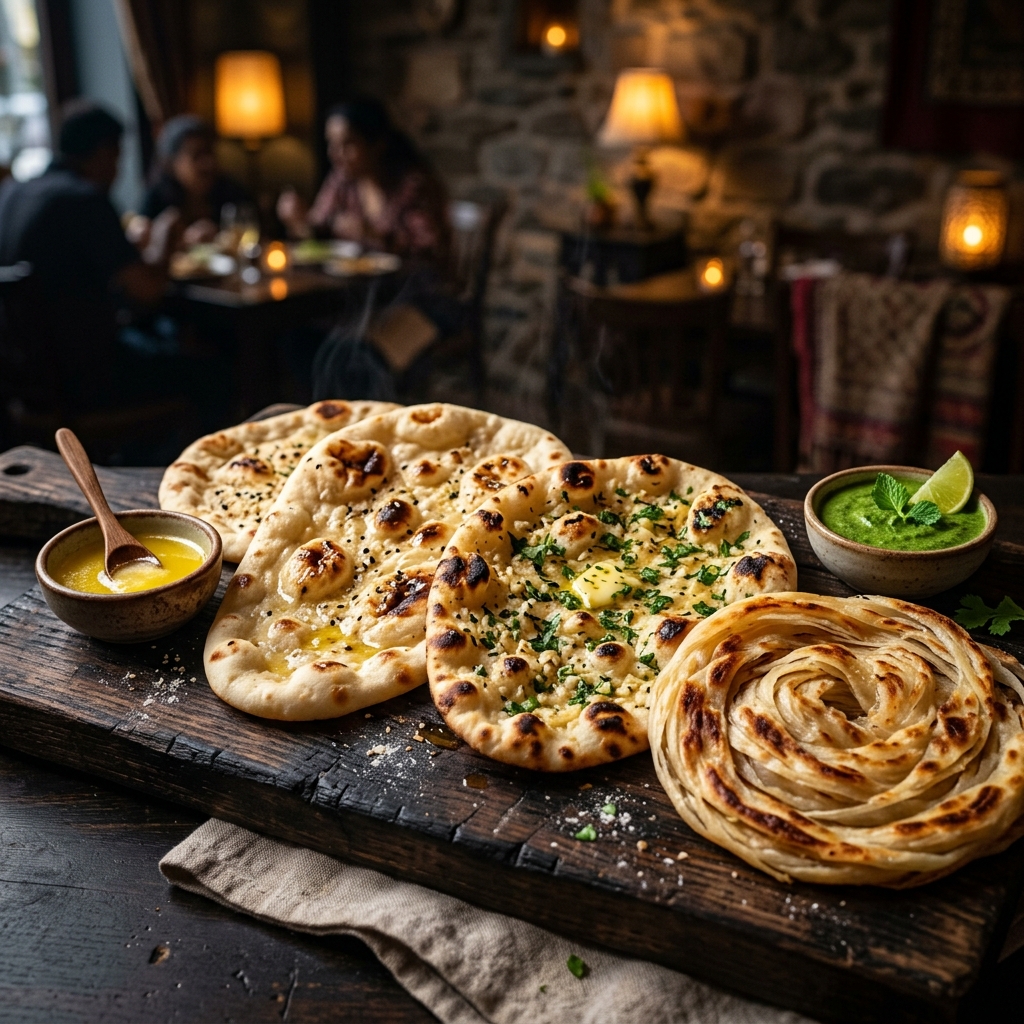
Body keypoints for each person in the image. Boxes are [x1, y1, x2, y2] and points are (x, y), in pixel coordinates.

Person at [0, 101, 221, 452]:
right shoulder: (84, 199)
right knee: (213, 373)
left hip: (22, 383)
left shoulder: (13, 192)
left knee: (158, 340)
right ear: (104, 152)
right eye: (117, 157)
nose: (117, 169)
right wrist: (163, 242)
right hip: (84, 385)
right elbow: (147, 290)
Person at [276, 97, 461, 402]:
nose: (337, 155)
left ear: (377, 144)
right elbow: (318, 229)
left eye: (348, 144)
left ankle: (377, 423)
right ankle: (329, 420)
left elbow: (431, 251)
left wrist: (373, 234)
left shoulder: (413, 186)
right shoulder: (342, 182)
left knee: (361, 355)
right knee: (299, 339)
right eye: (331, 144)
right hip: (366, 301)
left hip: (426, 301)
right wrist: (300, 221)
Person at [135, 115, 248, 247]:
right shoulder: (157, 197)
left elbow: (251, 234)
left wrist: (220, 236)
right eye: (197, 156)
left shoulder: (231, 192)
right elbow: (142, 237)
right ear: (171, 163)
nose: (208, 163)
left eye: (210, 153)